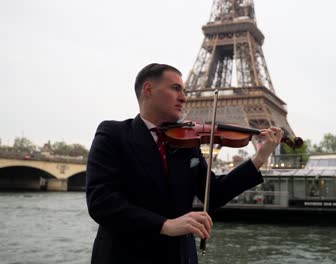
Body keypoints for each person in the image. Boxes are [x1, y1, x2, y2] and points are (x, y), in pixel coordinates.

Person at [86, 63, 283, 264]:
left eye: (185, 90)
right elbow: (101, 202)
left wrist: (259, 158)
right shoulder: (113, 134)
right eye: (176, 88)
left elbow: (214, 193)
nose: (184, 97)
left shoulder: (186, 143)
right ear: (148, 89)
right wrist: (165, 225)